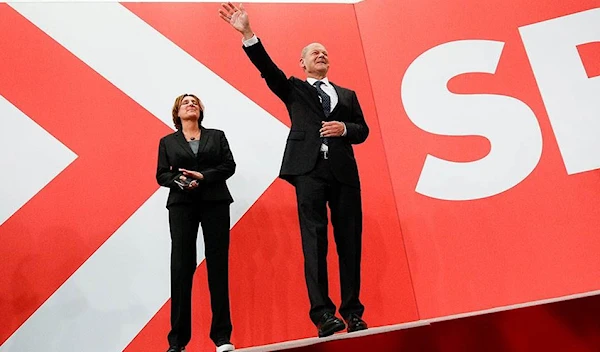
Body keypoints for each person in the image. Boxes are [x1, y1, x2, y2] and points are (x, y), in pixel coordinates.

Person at [219, 3, 369, 338]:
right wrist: (247, 34)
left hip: (345, 174)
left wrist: (344, 128)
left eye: (325, 52)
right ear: (302, 63)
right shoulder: (294, 89)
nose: (321, 54)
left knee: (349, 243)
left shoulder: (347, 95)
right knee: (313, 241)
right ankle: (323, 315)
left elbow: (363, 130)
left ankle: (353, 312)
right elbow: (267, 69)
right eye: (314, 52)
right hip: (308, 172)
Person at [156, 94, 236, 352]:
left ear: (201, 110)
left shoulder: (217, 135)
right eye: (185, 102)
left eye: (195, 102)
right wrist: (180, 181)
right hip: (182, 203)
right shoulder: (167, 141)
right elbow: (162, 174)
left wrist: (204, 176)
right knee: (181, 267)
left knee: (218, 265)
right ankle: (177, 342)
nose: (191, 104)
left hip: (215, 201)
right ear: (177, 112)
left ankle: (222, 337)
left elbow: (228, 165)